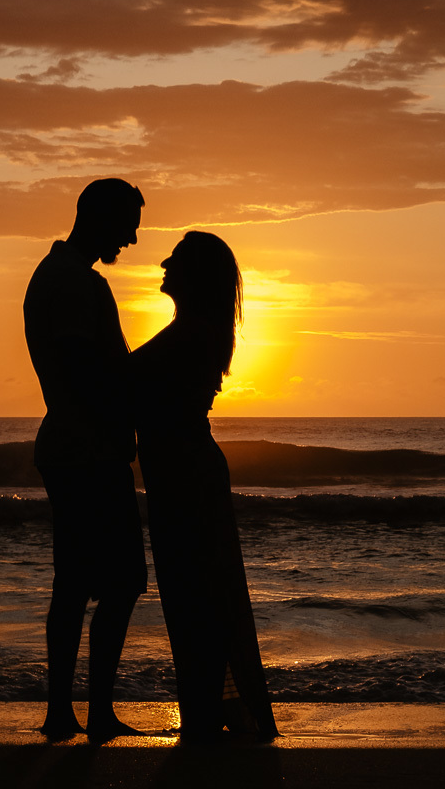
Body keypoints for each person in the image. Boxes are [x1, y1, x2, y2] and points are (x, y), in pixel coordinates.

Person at [131, 231, 279, 742]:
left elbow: (127, 381)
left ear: (194, 276)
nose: (165, 264)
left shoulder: (193, 332)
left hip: (186, 473)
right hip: (181, 470)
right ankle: (207, 708)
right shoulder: (191, 328)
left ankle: (205, 711)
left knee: (196, 593)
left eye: (177, 260)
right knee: (195, 591)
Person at [23, 178, 148, 741]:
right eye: (129, 225)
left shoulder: (63, 276)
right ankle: (91, 712)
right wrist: (119, 430)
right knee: (120, 582)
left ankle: (65, 712)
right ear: (100, 217)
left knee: (74, 582)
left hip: (71, 446)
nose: (134, 239)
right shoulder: (73, 282)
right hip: (86, 450)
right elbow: (81, 370)